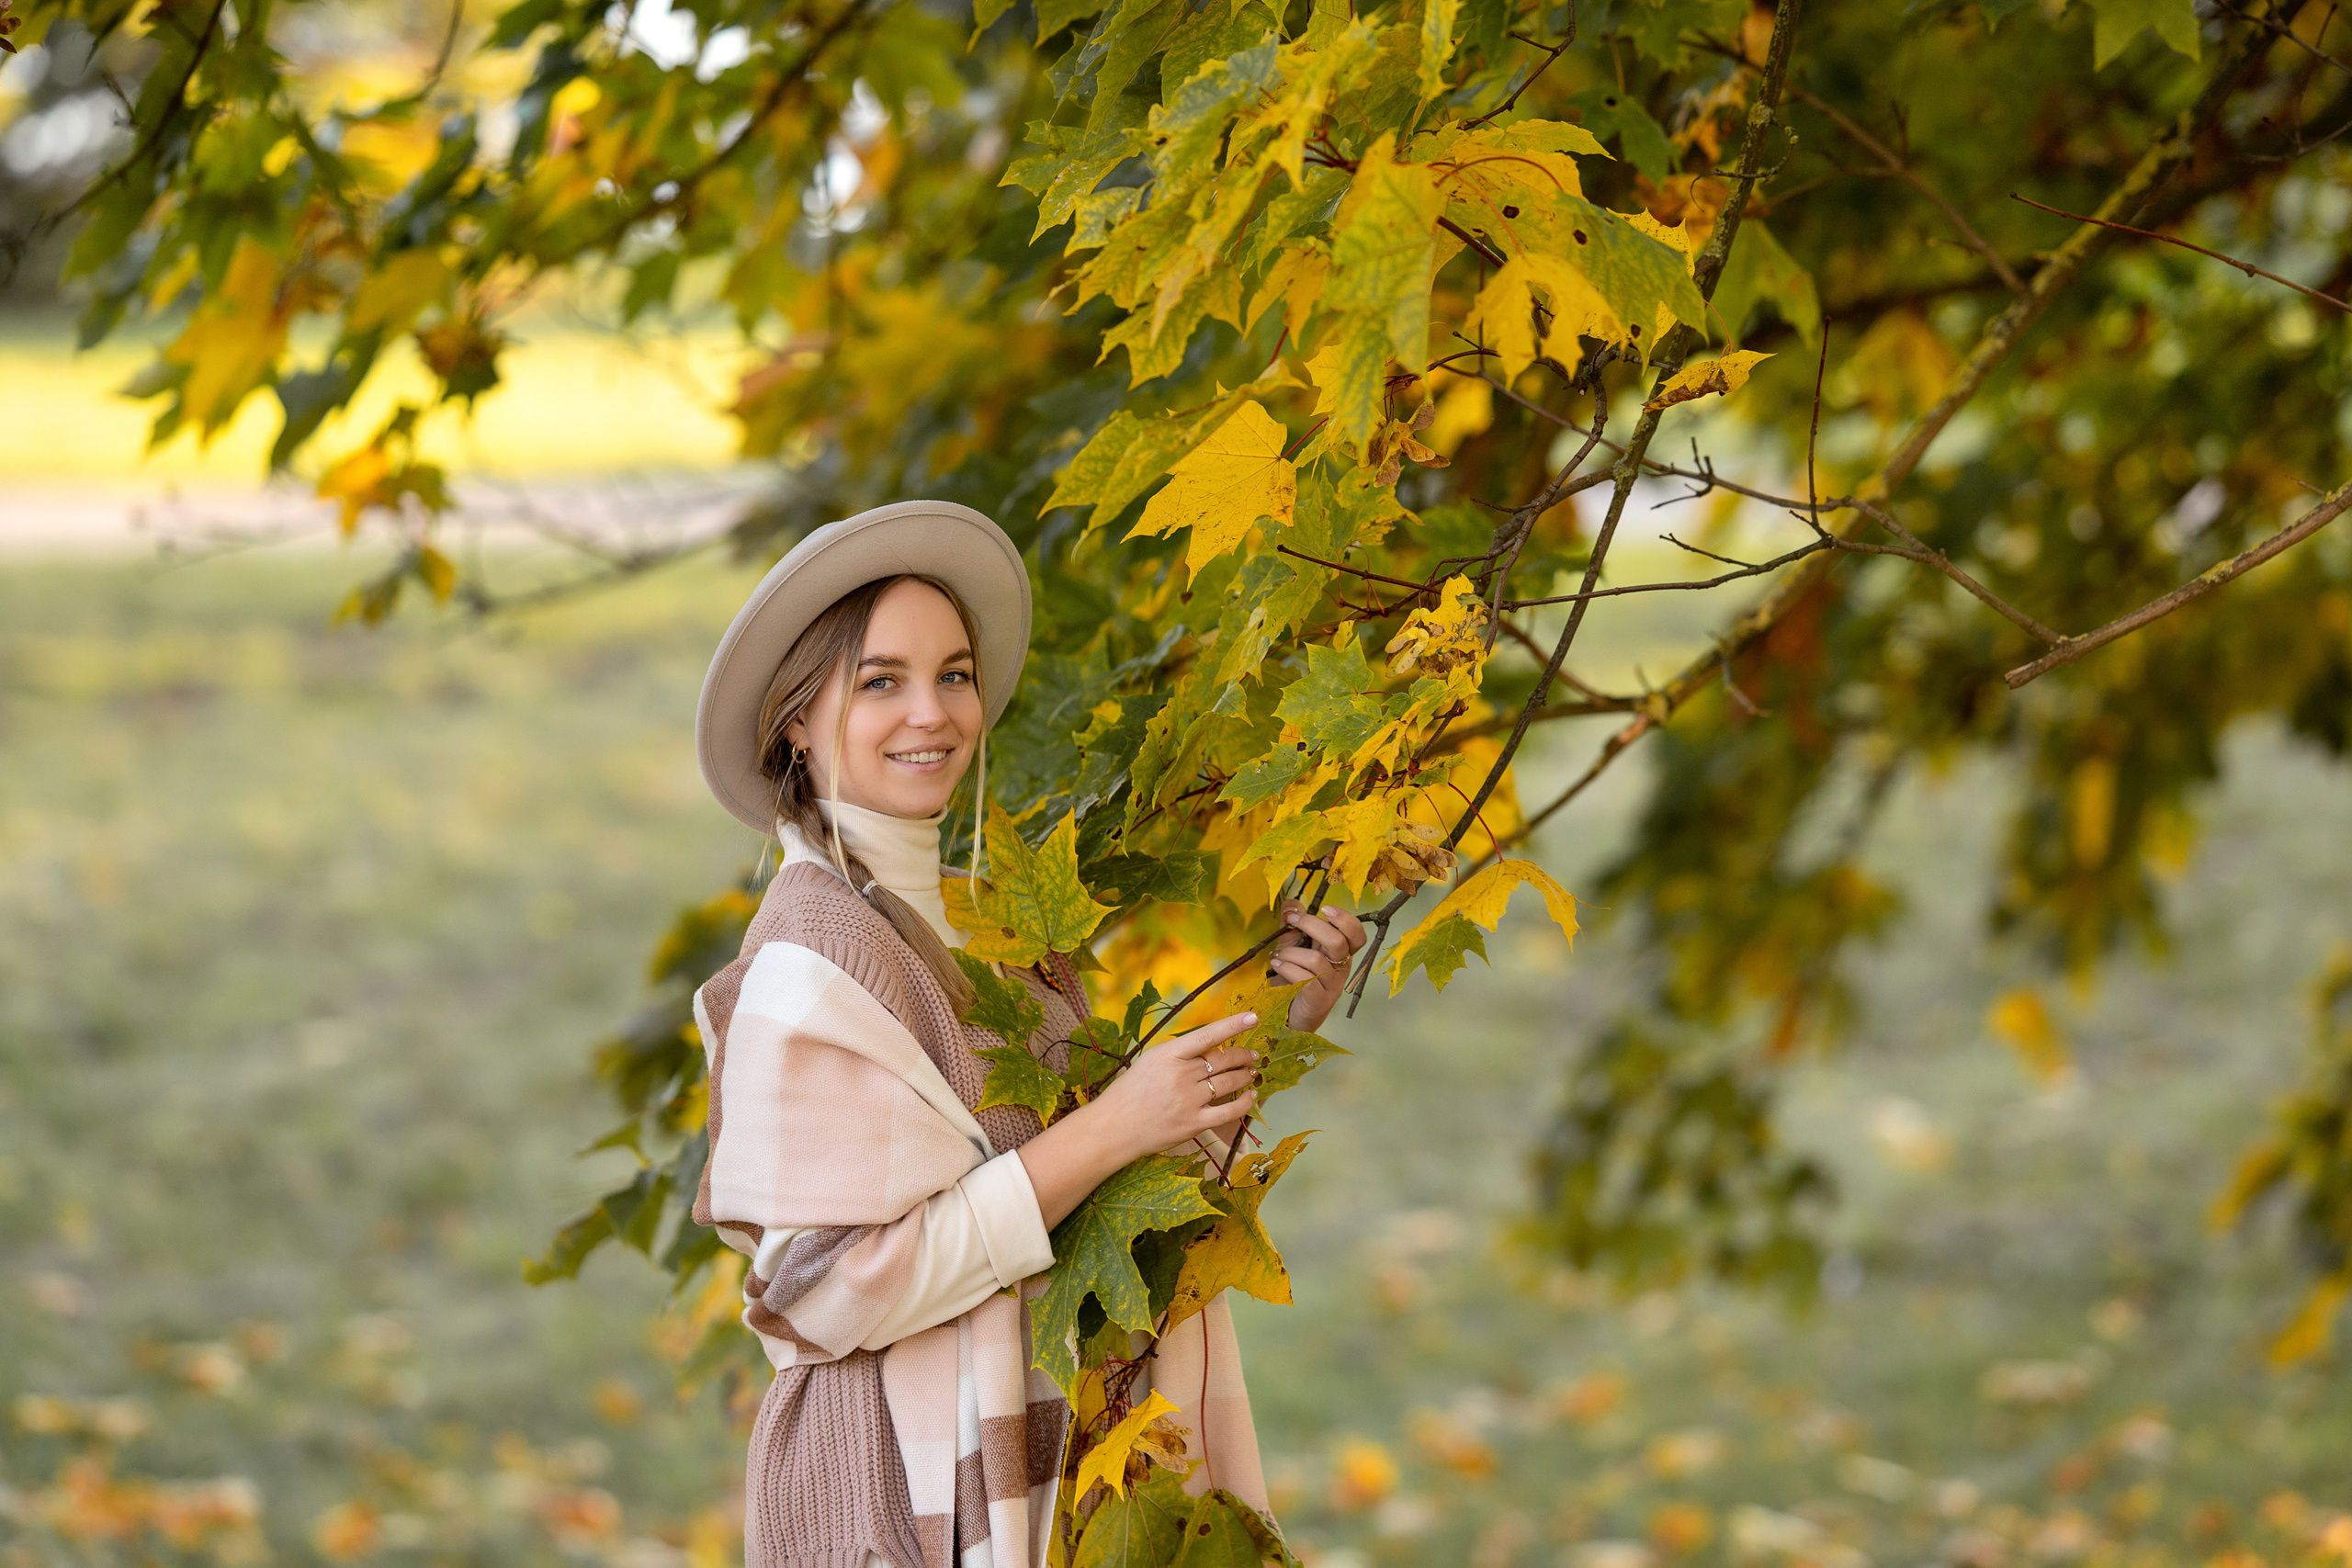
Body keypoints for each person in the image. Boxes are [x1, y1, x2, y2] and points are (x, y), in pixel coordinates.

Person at [686, 501, 1367, 1568]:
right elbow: (823, 1289)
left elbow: (1105, 1213)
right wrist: (1110, 1130)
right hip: (905, 1493)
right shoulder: (809, 963)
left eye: (954, 674)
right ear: (794, 720)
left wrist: (1284, 1020)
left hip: (1070, 1467)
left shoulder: (990, 927)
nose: (933, 712)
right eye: (881, 680)